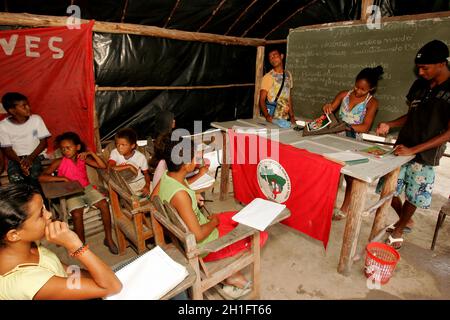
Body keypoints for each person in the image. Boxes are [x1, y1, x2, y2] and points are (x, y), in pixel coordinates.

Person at [150, 136, 268, 299]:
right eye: (194, 157)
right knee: (260, 233)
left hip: (195, 226)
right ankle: (230, 276)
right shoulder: (181, 195)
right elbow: (197, 236)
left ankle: (231, 275)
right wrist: (213, 222)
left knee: (239, 216)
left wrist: (192, 197)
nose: (196, 159)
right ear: (186, 165)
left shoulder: (167, 176)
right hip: (204, 245)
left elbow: (154, 199)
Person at [376, 40, 450, 250]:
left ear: (441, 64)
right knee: (387, 189)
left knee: (414, 194)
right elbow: (411, 116)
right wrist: (390, 124)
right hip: (402, 146)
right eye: (419, 67)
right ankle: (404, 219)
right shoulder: (419, 85)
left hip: (425, 154)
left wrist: (414, 150)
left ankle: (399, 228)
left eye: (425, 67)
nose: (420, 72)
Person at [0, 183, 122, 299]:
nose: (49, 214)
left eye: (44, 207)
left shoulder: (29, 244)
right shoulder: (27, 282)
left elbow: (65, 271)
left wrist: (94, 280)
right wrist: (77, 247)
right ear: (14, 235)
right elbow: (113, 287)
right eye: (40, 214)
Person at [39, 132, 118, 255]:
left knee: (104, 204)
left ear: (78, 147)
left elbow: (102, 166)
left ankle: (108, 238)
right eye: (63, 148)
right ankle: (81, 245)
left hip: (87, 188)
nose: (65, 151)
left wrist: (91, 153)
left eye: (68, 147)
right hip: (71, 192)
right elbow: (42, 177)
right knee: (76, 213)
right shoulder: (59, 162)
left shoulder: (83, 158)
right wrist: (62, 179)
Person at [322, 66, 384, 220]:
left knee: (350, 177)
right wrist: (328, 108)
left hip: (353, 141)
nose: (358, 90)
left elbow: (365, 127)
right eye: (356, 86)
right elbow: (330, 110)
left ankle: (344, 207)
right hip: (335, 139)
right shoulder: (344, 95)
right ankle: (330, 203)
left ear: (372, 89)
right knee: (334, 172)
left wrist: (346, 126)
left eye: (363, 89)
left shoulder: (372, 102)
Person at [0, 92, 50, 190]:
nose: (28, 108)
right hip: (16, 159)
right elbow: (8, 150)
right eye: (24, 106)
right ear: (12, 111)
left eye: (27, 104)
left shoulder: (36, 120)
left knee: (35, 175)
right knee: (16, 178)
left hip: (36, 155)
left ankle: (41, 201)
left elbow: (43, 142)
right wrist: (21, 162)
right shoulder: (2, 126)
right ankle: (24, 203)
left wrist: (30, 158)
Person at [108, 128, 151, 197]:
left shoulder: (140, 157)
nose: (120, 147)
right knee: (134, 199)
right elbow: (110, 168)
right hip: (125, 184)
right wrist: (129, 166)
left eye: (123, 145)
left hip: (140, 181)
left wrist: (147, 185)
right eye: (117, 144)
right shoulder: (115, 153)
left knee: (154, 193)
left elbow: (146, 173)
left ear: (132, 146)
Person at [259, 48, 296, 127]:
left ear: (281, 56)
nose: (273, 58)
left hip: (285, 119)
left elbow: (288, 97)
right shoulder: (268, 77)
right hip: (273, 119)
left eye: (275, 55)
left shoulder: (288, 75)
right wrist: (267, 116)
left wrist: (292, 116)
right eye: (270, 57)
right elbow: (262, 100)